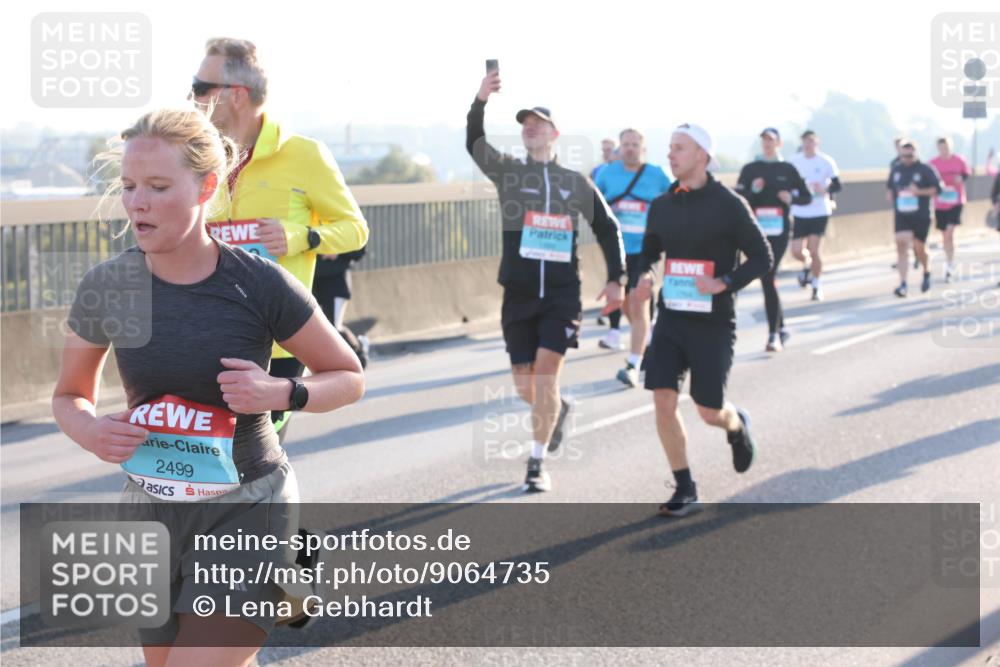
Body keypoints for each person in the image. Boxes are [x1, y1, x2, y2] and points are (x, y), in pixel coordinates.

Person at [51, 108, 365, 666]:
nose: (136, 202)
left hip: (245, 507)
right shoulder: (109, 284)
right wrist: (92, 432)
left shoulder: (256, 281)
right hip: (149, 509)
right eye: (127, 186)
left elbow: (347, 377)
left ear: (207, 187)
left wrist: (282, 393)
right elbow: (69, 394)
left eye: (157, 186)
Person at [190, 37, 368, 444]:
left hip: (280, 341)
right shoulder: (197, 157)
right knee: (205, 463)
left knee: (254, 458)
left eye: (201, 87)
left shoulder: (304, 154)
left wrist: (301, 237)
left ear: (235, 95)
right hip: (205, 334)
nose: (192, 97)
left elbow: (355, 229)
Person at [467, 67, 625, 493]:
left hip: (560, 295)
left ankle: (536, 464)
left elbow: (608, 229)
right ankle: (558, 410)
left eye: (538, 123)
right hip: (518, 295)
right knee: (526, 386)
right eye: (525, 124)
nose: (530, 128)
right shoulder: (509, 174)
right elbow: (474, 145)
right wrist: (480, 100)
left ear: (555, 134)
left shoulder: (574, 182)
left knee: (545, 377)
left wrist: (617, 279)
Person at [633, 123, 772, 517]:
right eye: (670, 147)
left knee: (709, 410)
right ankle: (685, 486)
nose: (671, 154)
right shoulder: (662, 205)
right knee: (662, 398)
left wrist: (724, 282)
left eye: (679, 148)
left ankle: (736, 425)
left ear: (702, 155)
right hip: (672, 319)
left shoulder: (729, 204)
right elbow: (648, 253)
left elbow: (763, 257)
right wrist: (644, 275)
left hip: (713, 324)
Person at [594, 128, 671, 385]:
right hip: (617, 250)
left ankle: (633, 365)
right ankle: (647, 338)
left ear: (643, 149)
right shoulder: (607, 174)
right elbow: (593, 203)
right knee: (626, 304)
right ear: (619, 148)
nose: (630, 149)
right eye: (625, 144)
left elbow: (676, 199)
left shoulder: (657, 174)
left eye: (635, 145)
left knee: (639, 301)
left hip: (647, 250)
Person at [735, 128, 811, 352]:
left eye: (771, 140)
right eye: (764, 140)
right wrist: (753, 190)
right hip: (755, 230)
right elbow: (738, 199)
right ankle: (781, 326)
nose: (767, 144)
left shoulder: (787, 169)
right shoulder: (751, 169)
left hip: (779, 230)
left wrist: (792, 198)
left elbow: (806, 197)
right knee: (765, 276)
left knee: (768, 274)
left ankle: (773, 334)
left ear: (779, 142)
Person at [788, 130, 841, 301]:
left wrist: (825, 190)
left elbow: (838, 185)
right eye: (805, 141)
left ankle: (817, 285)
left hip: (819, 210)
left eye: (811, 141)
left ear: (817, 143)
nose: (808, 144)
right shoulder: (794, 161)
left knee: (814, 249)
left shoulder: (826, 161)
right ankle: (808, 265)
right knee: (796, 251)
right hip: (800, 210)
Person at [886, 140, 943, 297]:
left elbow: (938, 189)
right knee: (901, 244)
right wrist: (892, 195)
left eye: (910, 156)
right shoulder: (896, 170)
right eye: (904, 156)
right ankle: (903, 283)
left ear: (916, 153)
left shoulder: (926, 169)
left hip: (921, 215)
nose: (907, 159)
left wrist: (919, 191)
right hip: (902, 214)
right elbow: (890, 188)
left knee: (919, 247)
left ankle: (926, 271)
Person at [313, 248, 370, 368]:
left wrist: (337, 251)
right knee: (316, 329)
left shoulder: (342, 230)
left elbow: (359, 250)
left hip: (336, 285)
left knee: (334, 328)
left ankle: (358, 349)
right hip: (311, 286)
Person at [929, 137, 971, 282]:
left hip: (956, 201)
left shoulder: (959, 160)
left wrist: (961, 179)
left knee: (950, 232)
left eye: (946, 148)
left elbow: (967, 174)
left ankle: (950, 266)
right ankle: (949, 260)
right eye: (941, 148)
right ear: (938, 148)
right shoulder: (932, 164)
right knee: (944, 236)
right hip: (940, 203)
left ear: (950, 147)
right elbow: (928, 180)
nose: (944, 151)